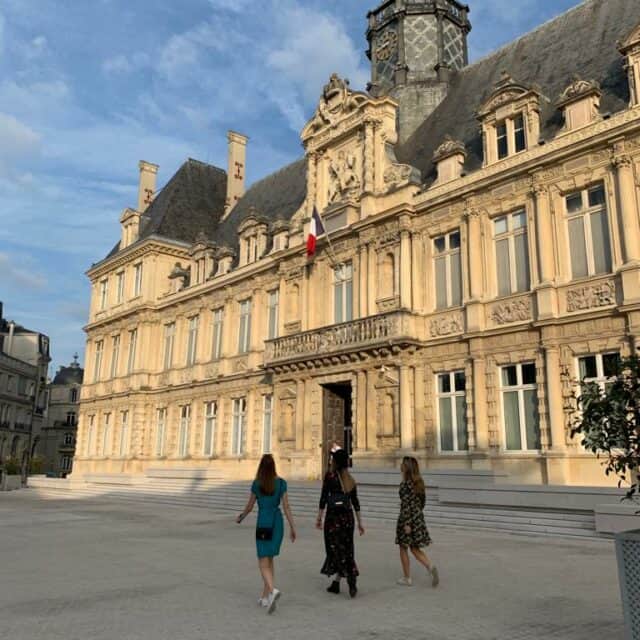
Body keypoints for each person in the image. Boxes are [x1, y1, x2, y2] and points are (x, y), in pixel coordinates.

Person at [236, 454, 297, 614]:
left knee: (262, 562)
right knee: (269, 560)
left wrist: (241, 517)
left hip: (264, 522)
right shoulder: (281, 483)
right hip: (277, 522)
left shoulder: (257, 484)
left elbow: (249, 507)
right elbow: (287, 506)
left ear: (261, 467)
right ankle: (265, 597)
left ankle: (272, 590)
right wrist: (292, 526)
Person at [316, 448, 364, 598]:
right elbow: (355, 503)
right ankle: (341, 582)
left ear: (335, 462)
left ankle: (347, 579)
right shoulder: (350, 479)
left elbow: (324, 497)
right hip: (348, 519)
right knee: (347, 550)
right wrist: (360, 522)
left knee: (334, 550)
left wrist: (319, 517)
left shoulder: (330, 476)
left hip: (333, 519)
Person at [395, 456, 439, 587]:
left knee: (403, 547)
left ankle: (407, 578)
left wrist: (407, 523)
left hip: (406, 519)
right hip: (418, 517)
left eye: (402, 464)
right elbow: (422, 502)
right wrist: (416, 514)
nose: (400, 465)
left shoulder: (405, 484)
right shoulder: (419, 482)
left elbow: (407, 504)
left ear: (406, 468)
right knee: (414, 547)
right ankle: (430, 567)